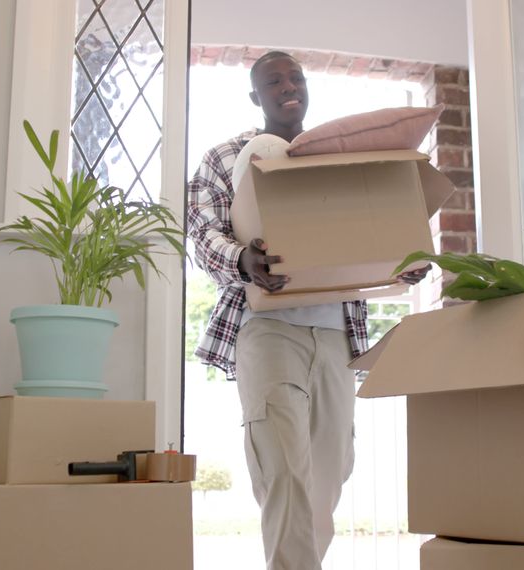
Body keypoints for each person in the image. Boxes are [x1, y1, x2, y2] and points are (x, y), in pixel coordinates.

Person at [186, 51, 427, 570]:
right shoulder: (224, 157)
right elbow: (202, 237)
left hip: (336, 334)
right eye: (273, 80)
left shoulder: (334, 157)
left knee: (330, 473)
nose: (287, 85)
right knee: (283, 469)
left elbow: (368, 230)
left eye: (295, 77)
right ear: (256, 97)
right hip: (268, 330)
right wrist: (243, 259)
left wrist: (401, 263)